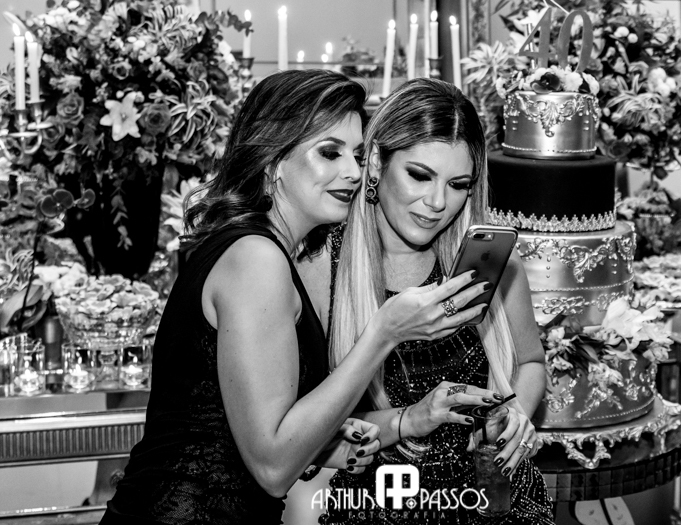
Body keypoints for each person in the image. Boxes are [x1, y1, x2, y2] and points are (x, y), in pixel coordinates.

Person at [99, 70, 487, 525]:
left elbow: (253, 431)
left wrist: (390, 425)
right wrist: (383, 333)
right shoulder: (257, 258)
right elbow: (273, 467)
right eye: (329, 152)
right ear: (273, 161)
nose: (353, 172)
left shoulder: (262, 250)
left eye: (357, 155)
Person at [308, 78, 554, 524]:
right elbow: (305, 431)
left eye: (458, 184)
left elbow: (531, 361)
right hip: (380, 506)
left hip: (494, 499)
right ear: (376, 161)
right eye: (419, 175)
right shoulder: (323, 265)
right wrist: (410, 417)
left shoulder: (490, 260)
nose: (438, 202)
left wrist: (514, 413)